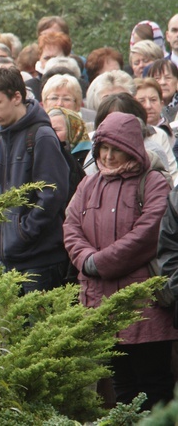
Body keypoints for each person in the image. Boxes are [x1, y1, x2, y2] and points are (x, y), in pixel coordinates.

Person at [64, 111, 175, 411]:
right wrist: (86, 259)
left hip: (145, 308)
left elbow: (149, 233)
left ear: (133, 148)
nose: (109, 156)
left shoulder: (152, 183)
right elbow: (71, 225)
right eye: (104, 148)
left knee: (155, 386)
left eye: (117, 149)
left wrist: (99, 263)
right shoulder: (88, 184)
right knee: (122, 388)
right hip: (101, 304)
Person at [0, 67, 70, 292]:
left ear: (17, 97)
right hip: (7, 258)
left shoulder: (41, 136)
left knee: (39, 326)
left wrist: (23, 232)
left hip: (40, 260)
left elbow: (52, 194)